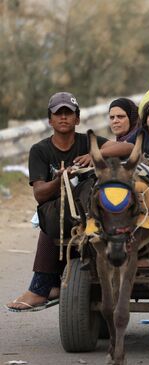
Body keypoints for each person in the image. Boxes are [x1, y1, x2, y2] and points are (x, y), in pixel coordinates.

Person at [5, 92, 133, 312]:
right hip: (58, 214)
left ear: (77, 119)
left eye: (68, 113)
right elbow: (40, 194)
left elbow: (128, 148)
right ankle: (41, 287)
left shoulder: (87, 142)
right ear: (50, 120)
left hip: (92, 213)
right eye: (58, 113)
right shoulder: (40, 150)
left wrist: (95, 155)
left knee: (93, 186)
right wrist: (59, 180)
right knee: (55, 211)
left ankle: (49, 285)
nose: (63, 117)